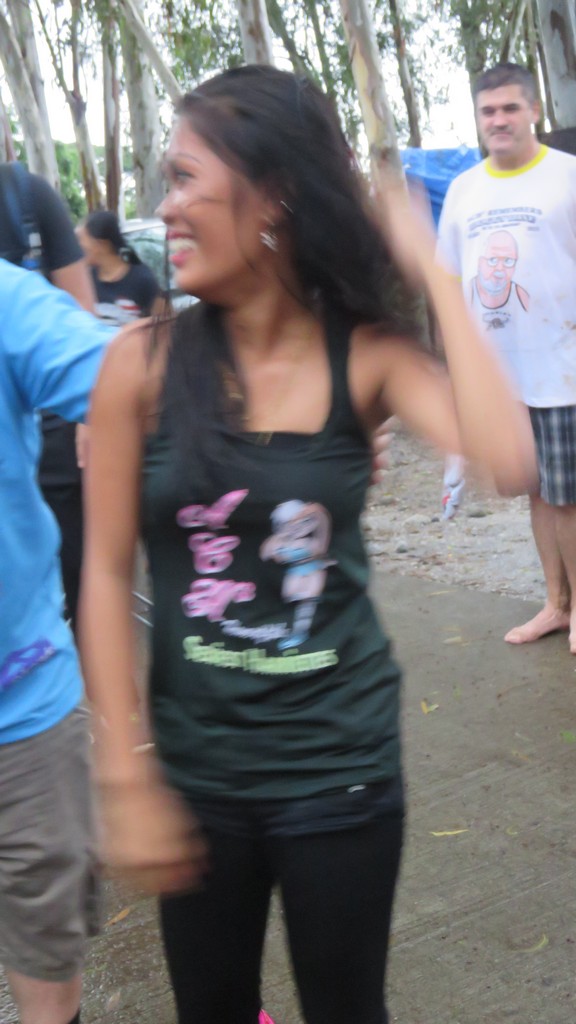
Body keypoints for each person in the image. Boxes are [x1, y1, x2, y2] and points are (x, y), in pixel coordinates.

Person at [80, 65, 536, 1024]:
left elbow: (507, 458)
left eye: (186, 178)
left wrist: (434, 270)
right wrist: (123, 771)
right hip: (199, 773)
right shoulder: (140, 367)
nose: (167, 209)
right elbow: (106, 571)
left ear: (275, 196)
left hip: (341, 767)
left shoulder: (364, 353)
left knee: (346, 1006)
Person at [0, 259, 112, 1024]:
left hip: (22, 712)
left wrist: (323, 391)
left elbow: (137, 382)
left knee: (48, 964)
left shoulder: (9, 301)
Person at [438, 62, 576, 650]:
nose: (499, 120)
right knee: (537, 493)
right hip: (500, 377)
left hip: (564, 368)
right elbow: (448, 283)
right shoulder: (464, 189)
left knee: (569, 496)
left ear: (534, 110)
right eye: (488, 111)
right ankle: (555, 604)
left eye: (510, 108)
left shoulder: (568, 176)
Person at [0, 162, 95, 637]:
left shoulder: (26, 196)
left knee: (78, 571)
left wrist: (92, 420)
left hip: (55, 432)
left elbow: (84, 317)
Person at [77, 209, 163, 326]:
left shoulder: (142, 279)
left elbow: (164, 324)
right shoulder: (86, 280)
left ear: (102, 244)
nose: (77, 246)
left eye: (80, 239)